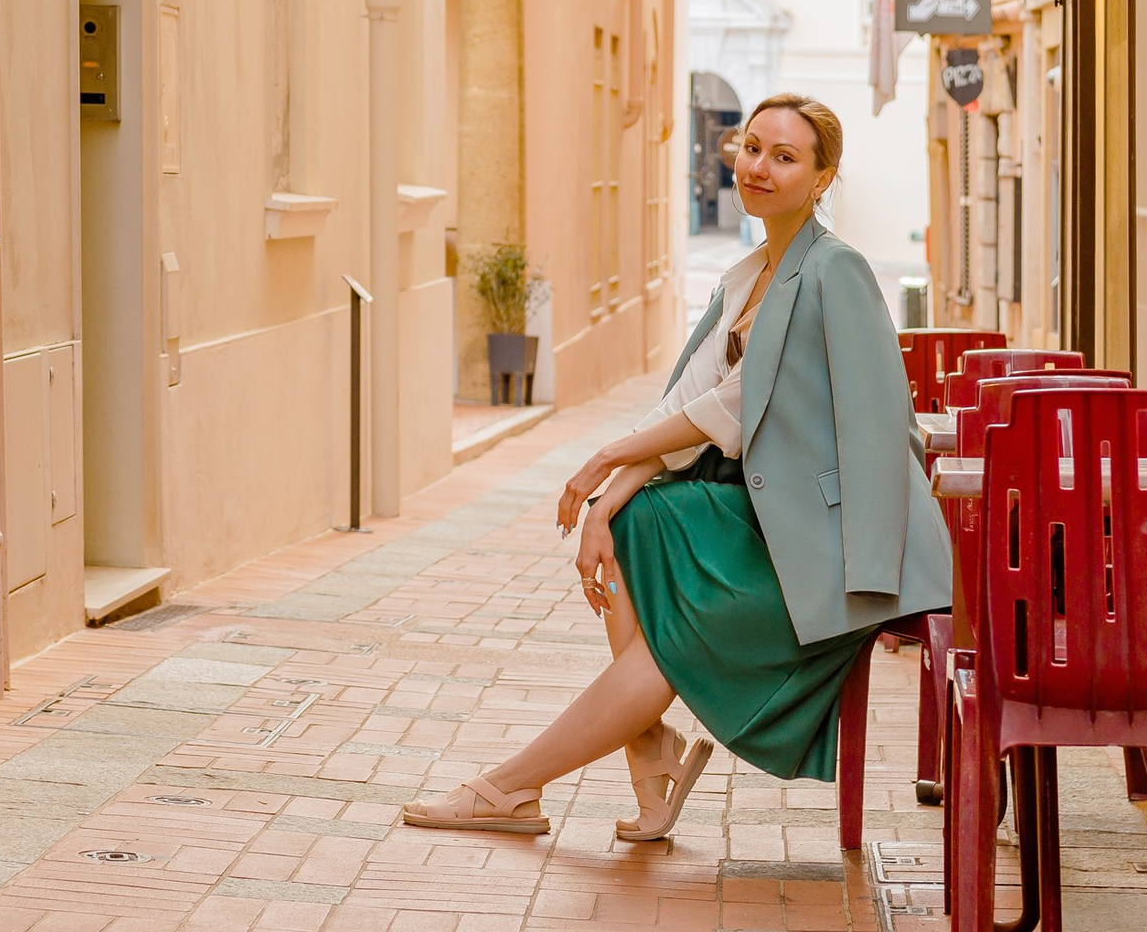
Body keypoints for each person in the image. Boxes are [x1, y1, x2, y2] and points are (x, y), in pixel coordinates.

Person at [400, 93, 951, 840]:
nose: (758, 166)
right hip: (773, 519)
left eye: (784, 157)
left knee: (670, 641)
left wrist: (604, 459)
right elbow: (690, 401)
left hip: (838, 545)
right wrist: (608, 500)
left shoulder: (836, 270)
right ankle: (643, 753)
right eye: (752, 147)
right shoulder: (749, 274)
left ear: (822, 180)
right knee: (638, 522)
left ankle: (512, 787)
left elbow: (742, 400)